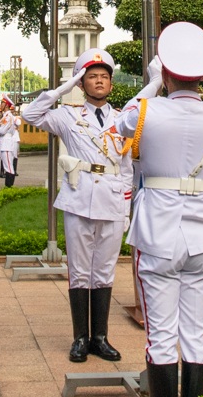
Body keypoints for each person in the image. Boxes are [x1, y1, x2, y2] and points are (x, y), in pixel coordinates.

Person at [118, 23, 203, 397]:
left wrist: (150, 85)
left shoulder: (144, 111)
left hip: (159, 236)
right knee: (197, 332)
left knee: (161, 335)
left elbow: (119, 126)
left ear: (166, 72)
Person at [21, 48, 132, 363]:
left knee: (105, 270)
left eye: (104, 77)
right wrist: (60, 89)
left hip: (111, 200)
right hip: (79, 197)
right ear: (82, 84)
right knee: (80, 270)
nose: (99, 82)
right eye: (92, 77)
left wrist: (125, 210)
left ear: (111, 83)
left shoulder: (122, 119)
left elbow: (126, 170)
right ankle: (80, 339)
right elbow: (30, 115)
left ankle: (100, 337)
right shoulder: (68, 116)